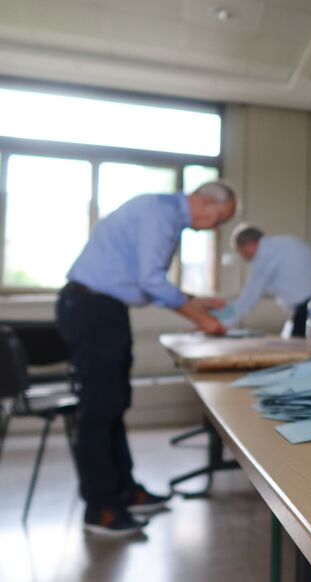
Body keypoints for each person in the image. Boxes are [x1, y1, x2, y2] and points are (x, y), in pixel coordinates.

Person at [55, 181, 236, 537]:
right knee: (98, 408)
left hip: (105, 308)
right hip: (92, 309)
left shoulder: (162, 213)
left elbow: (141, 280)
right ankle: (101, 508)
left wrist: (193, 301)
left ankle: (124, 490)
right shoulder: (161, 213)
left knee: (114, 403)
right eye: (220, 219)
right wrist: (202, 320)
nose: (216, 227)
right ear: (204, 201)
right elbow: (152, 281)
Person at [225, 224, 311, 338]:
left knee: (299, 353)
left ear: (249, 245)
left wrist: (221, 320)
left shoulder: (264, 255)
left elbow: (247, 299)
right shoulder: (286, 243)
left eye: (241, 252)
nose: (244, 258)